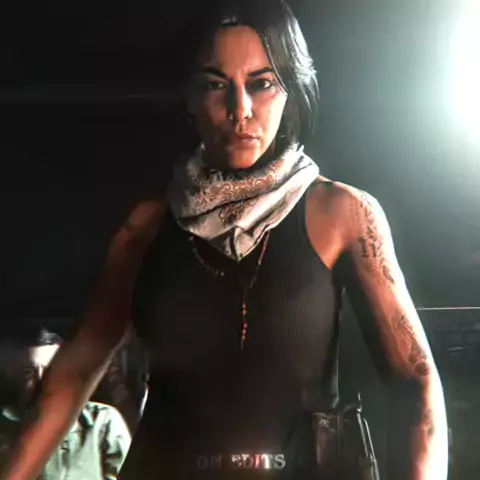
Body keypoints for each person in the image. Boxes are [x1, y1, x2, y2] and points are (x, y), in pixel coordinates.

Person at [1, 0, 448, 479]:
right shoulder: (145, 228)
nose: (240, 110)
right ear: (189, 98)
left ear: (290, 90)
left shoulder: (342, 214)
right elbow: (70, 379)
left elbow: (416, 383)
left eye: (262, 83)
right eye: (216, 85)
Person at [0, 329, 131, 479]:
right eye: (28, 372)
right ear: (12, 374)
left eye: (50, 372)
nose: (41, 381)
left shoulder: (102, 422)